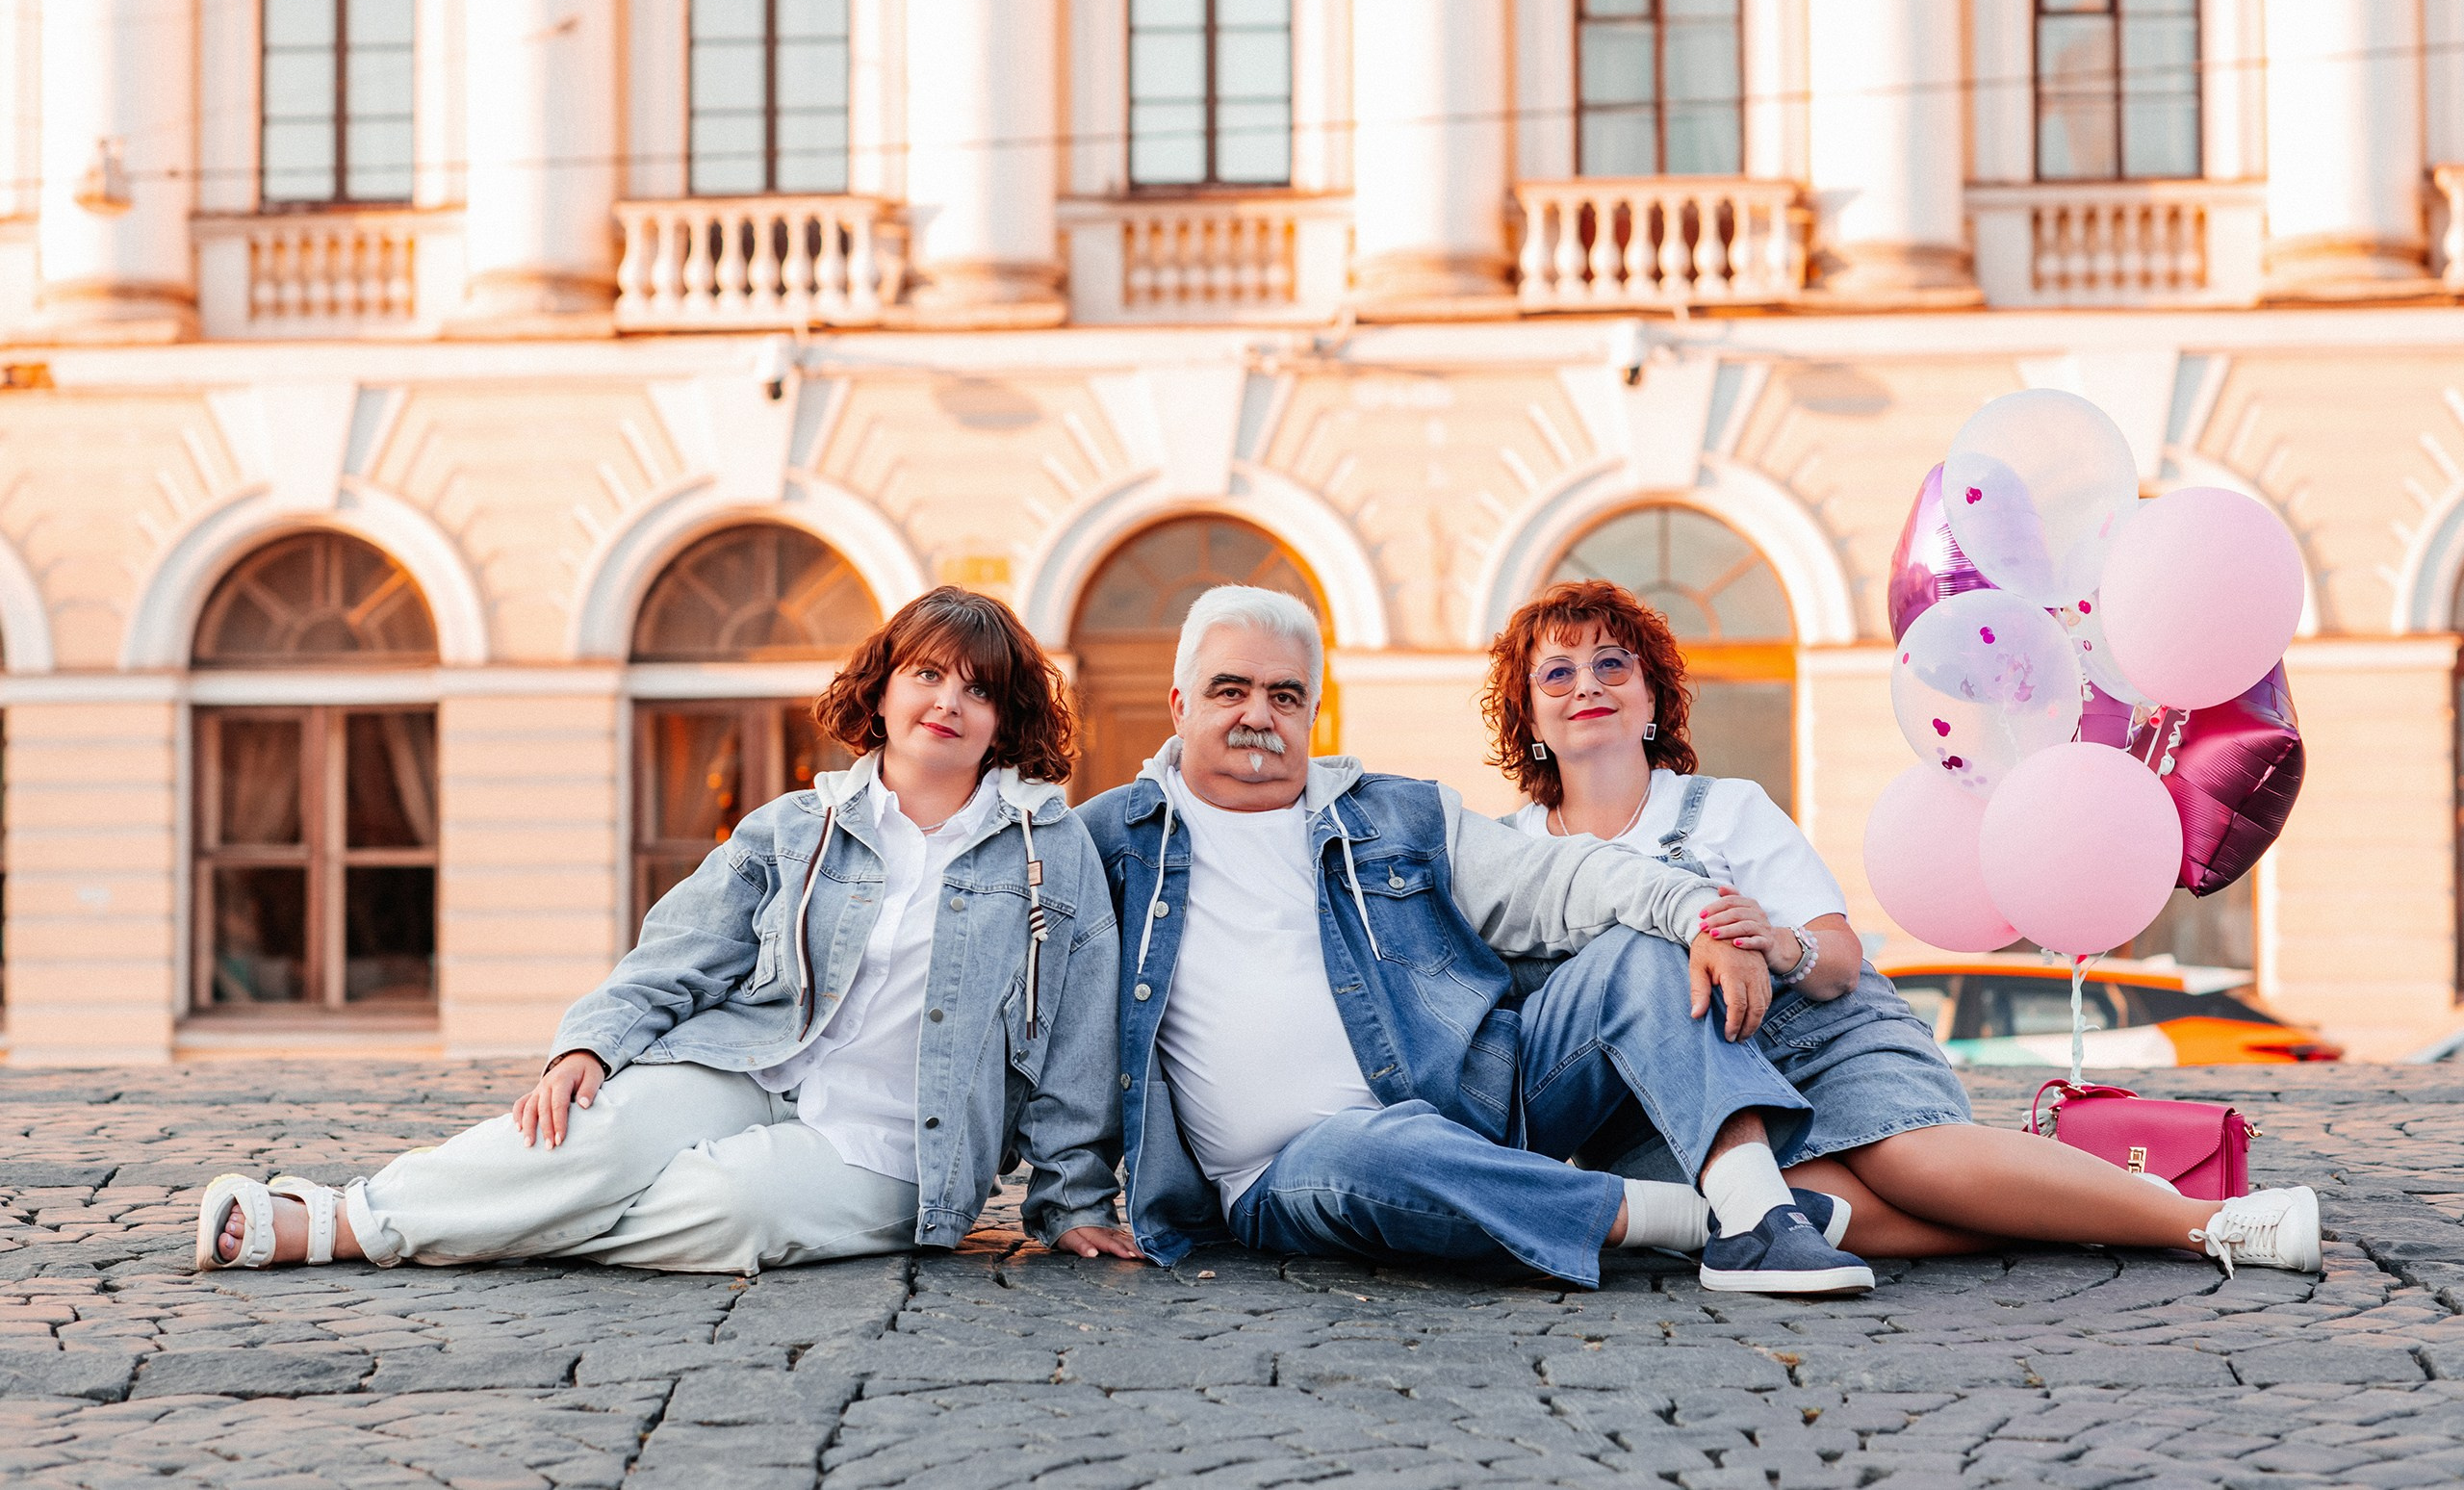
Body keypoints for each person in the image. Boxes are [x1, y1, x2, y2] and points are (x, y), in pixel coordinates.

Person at [196, 586, 1134, 1274]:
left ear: (1004, 719)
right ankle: (339, 1218)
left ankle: (472, 1221)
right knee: (590, 1137)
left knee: (734, 1208)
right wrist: (592, 1046)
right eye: (927, 674)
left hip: (899, 1144)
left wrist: (1072, 1200)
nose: (947, 703)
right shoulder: (795, 828)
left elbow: (1078, 1038)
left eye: (978, 689)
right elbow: (682, 948)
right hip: (749, 1067)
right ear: (882, 692)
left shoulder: (1046, 850)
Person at [1482, 578, 2320, 1276]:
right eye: (1556, 674)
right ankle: (2094, 1211)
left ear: (1654, 698)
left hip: (1816, 1032)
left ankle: (2212, 1221)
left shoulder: (1726, 811)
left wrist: (1778, 943)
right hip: (1670, 1107)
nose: (1586, 684)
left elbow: (1838, 961)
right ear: (1531, 719)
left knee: (1906, 1159)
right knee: (1820, 1206)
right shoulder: (1506, 856)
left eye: (1610, 663)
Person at [1080, 584, 1876, 1296]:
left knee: (1643, 946)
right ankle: (1698, 1219)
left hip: (1486, 1101)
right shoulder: (1111, 840)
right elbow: (1047, 1015)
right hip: (1287, 1169)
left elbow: (1564, 878)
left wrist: (1702, 914)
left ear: (1311, 714)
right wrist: (1068, 1192)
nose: (1260, 714)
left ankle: (1759, 1219)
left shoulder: (1394, 814)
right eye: (1232, 689)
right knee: (1377, 1149)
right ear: (1181, 704)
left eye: (1285, 695)